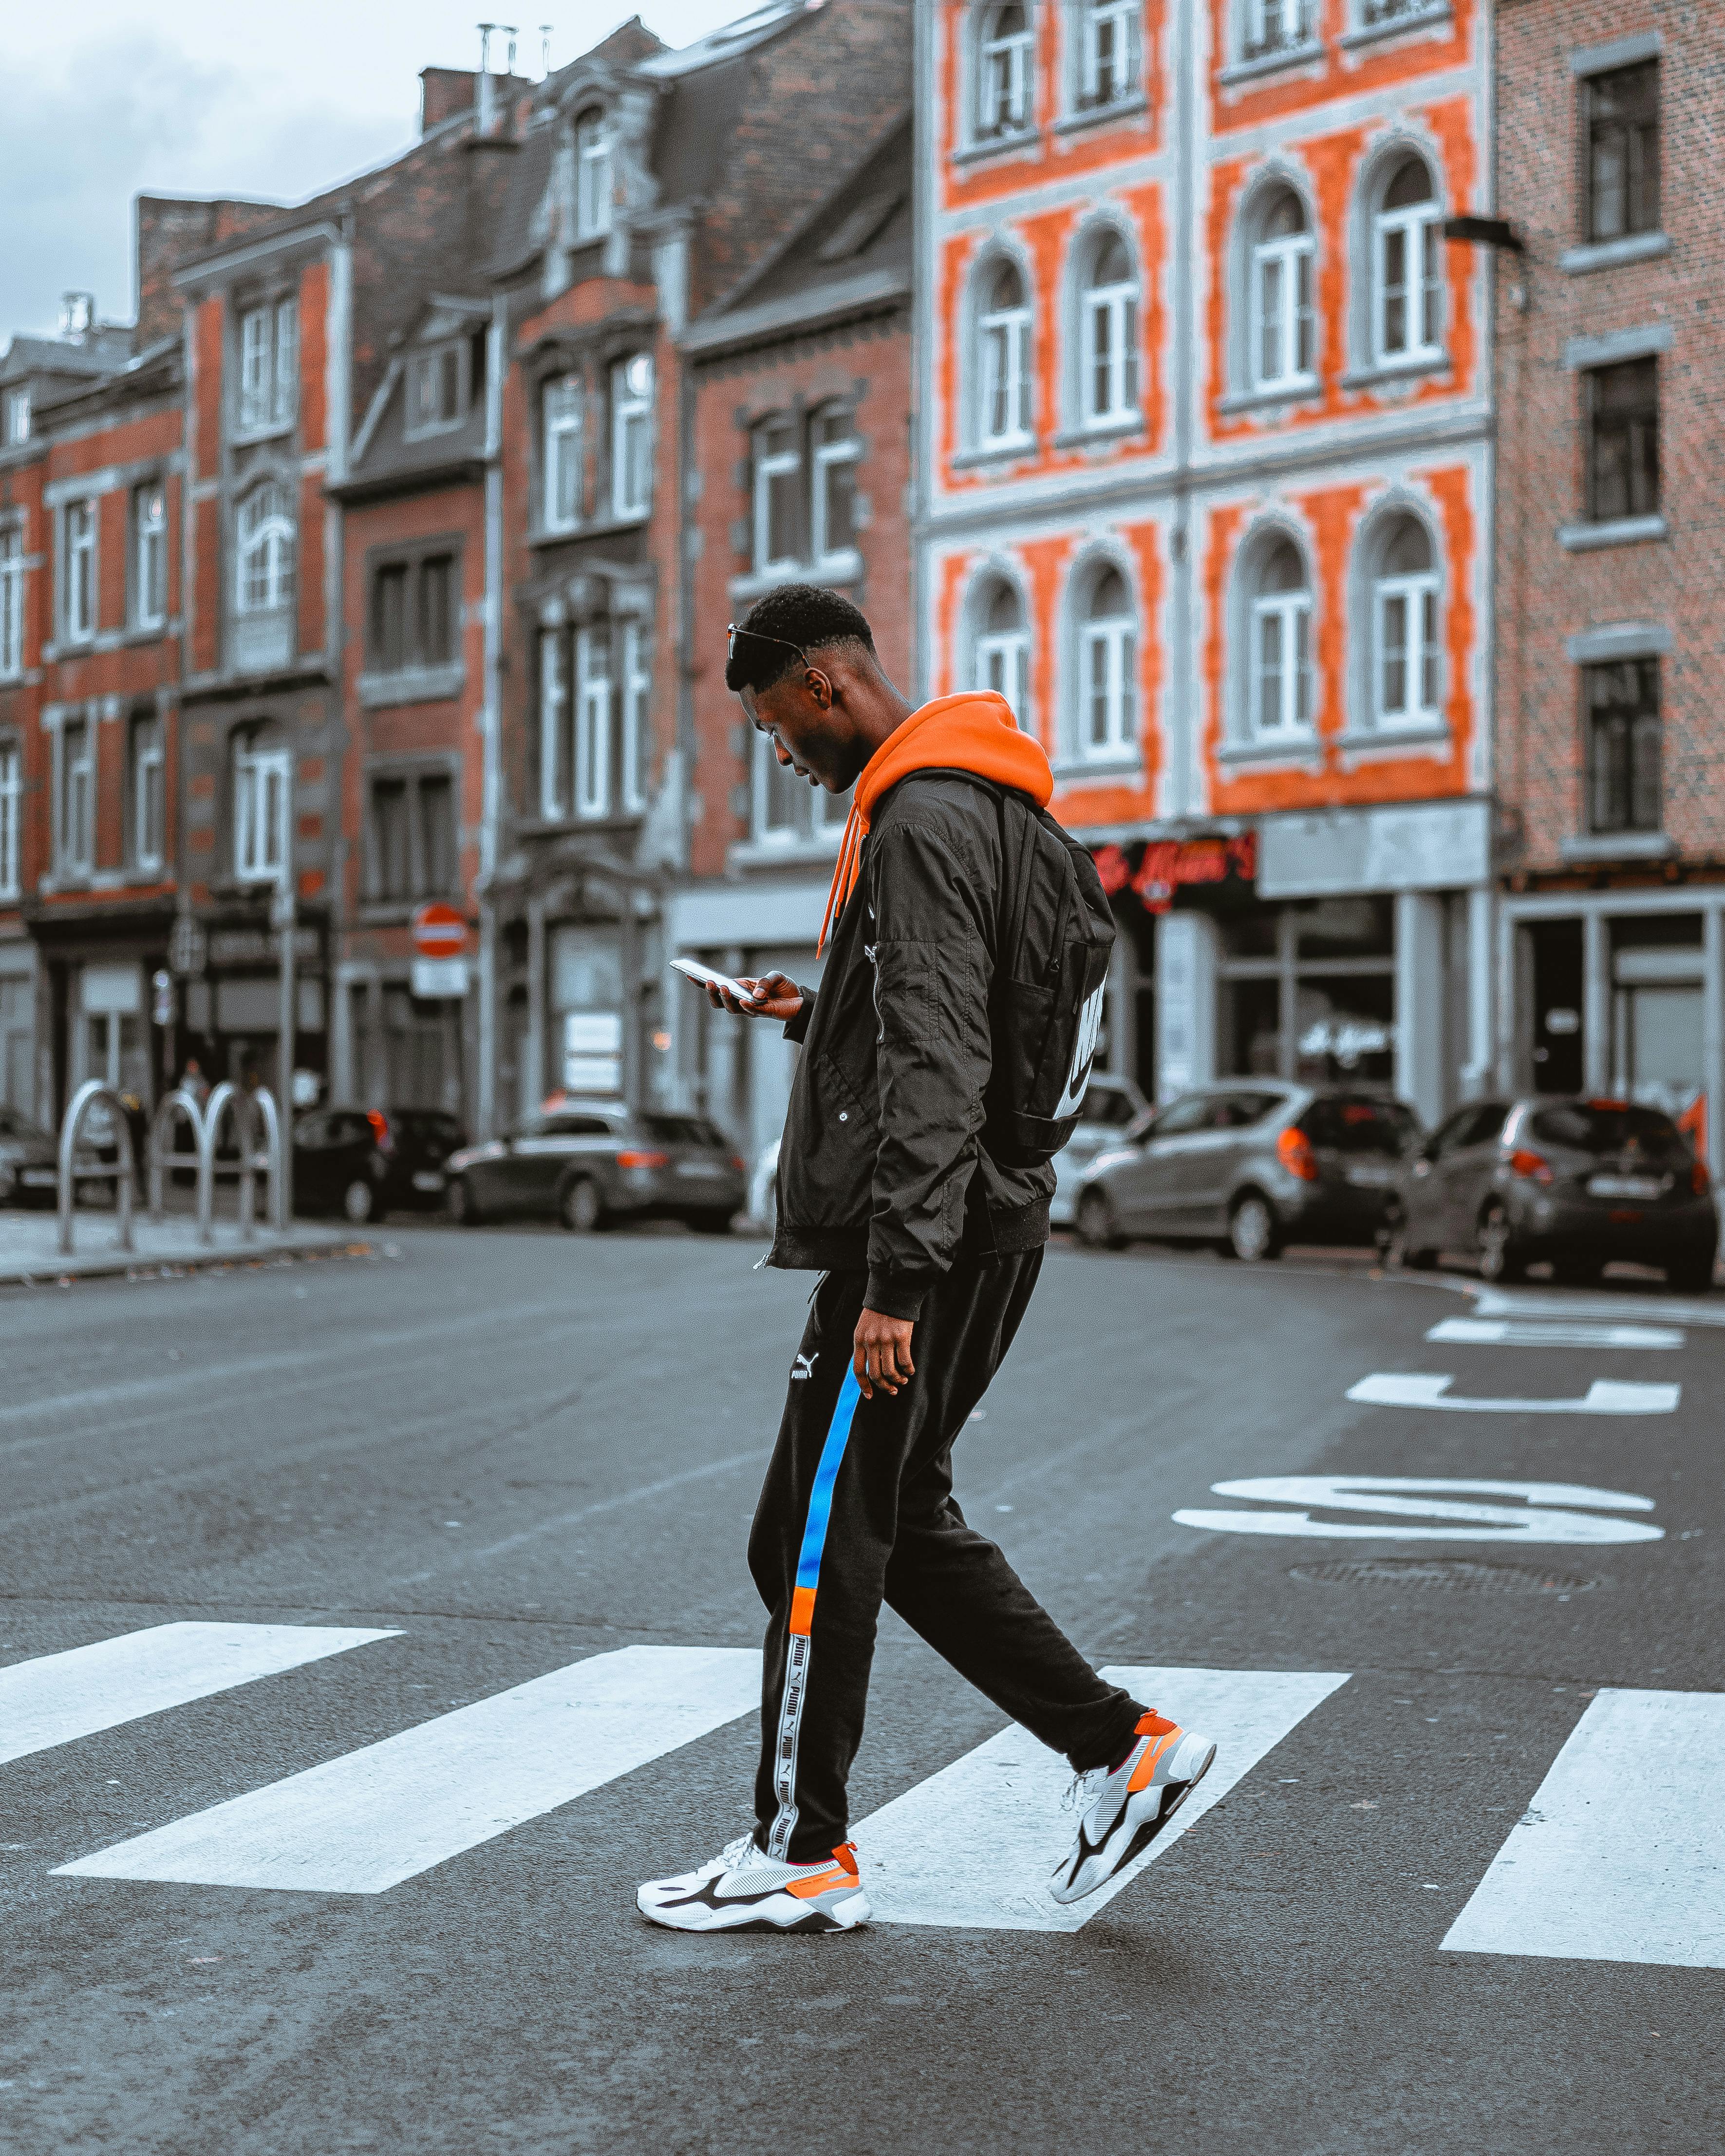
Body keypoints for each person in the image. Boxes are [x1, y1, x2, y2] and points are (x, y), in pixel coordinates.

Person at [637, 585, 1213, 1935]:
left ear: (830, 690)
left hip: (925, 1244)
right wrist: (816, 1007)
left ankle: (802, 1844)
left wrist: (896, 1279)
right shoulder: (1004, 809)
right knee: (868, 1524)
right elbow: (984, 1022)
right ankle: (1117, 1746)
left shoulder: (915, 821)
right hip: (988, 1223)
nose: (783, 758)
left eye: (783, 729)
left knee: (816, 1534)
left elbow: (942, 1052)